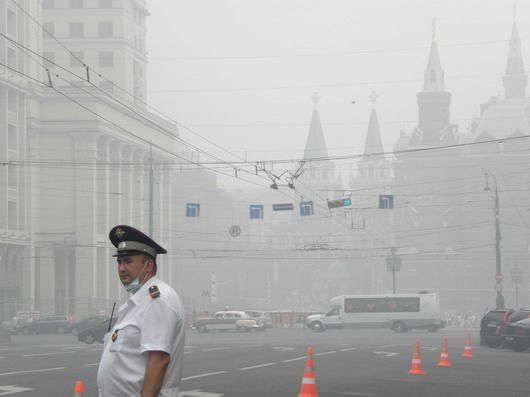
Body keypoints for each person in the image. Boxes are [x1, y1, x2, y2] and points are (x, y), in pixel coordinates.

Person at [97, 225, 185, 397]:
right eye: (119, 262)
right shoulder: (138, 301)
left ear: (149, 265)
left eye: (128, 261)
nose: (121, 268)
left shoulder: (158, 300)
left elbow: (159, 359)